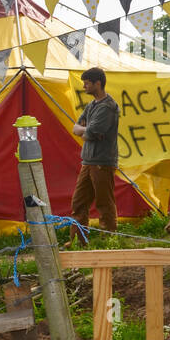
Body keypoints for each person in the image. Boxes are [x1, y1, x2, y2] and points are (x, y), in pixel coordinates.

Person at [70, 67, 120, 239]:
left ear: (97, 83)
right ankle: (78, 239)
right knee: (78, 202)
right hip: (88, 161)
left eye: (87, 83)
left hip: (102, 162)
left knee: (104, 202)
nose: (84, 86)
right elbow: (78, 128)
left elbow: (90, 132)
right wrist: (86, 130)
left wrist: (85, 130)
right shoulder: (92, 105)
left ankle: (108, 239)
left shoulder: (108, 107)